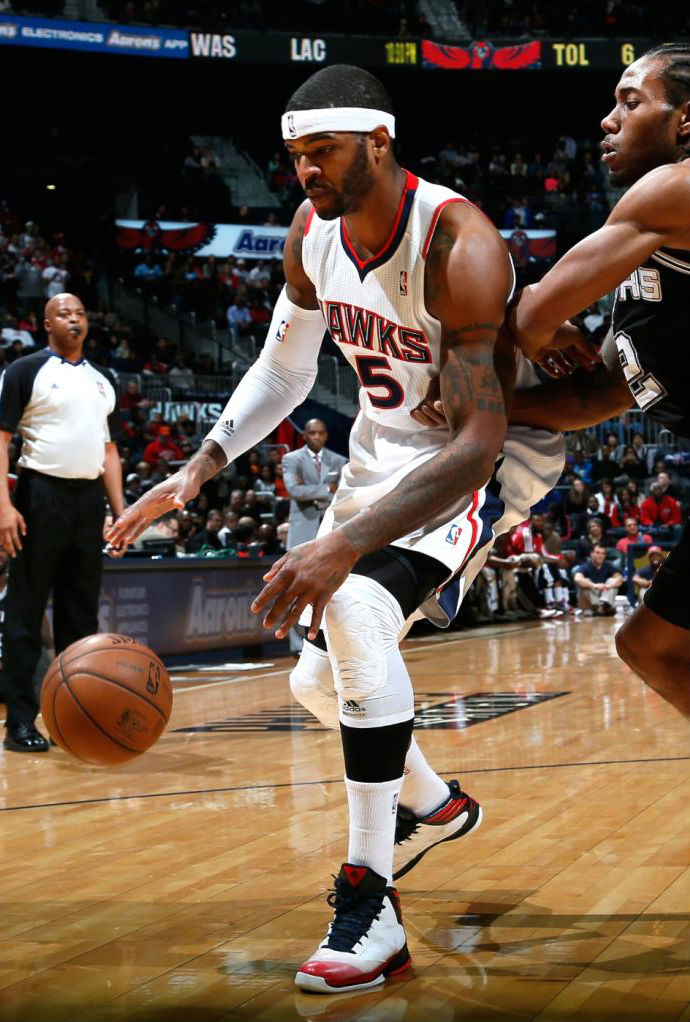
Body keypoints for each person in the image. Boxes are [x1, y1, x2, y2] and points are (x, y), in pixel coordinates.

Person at [107, 65, 564, 994]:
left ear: (379, 141)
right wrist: (196, 472)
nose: (305, 170)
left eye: (323, 150)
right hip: (376, 457)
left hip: (475, 459)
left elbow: (478, 443)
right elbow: (282, 373)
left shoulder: (456, 243)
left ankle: (372, 902)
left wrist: (344, 545)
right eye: (295, 154)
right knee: (318, 683)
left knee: (353, 606)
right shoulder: (310, 237)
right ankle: (433, 802)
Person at [509, 43, 690, 717]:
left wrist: (535, 326)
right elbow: (601, 392)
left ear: (686, 122)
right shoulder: (657, 250)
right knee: (651, 645)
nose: (608, 120)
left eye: (631, 102)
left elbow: (531, 315)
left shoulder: (675, 188)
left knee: (653, 644)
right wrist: (488, 414)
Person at [0, 293, 125, 751]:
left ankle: (73, 719)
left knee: (80, 616)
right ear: (45, 323)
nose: (74, 319)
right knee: (25, 613)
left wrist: (121, 510)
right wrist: (3, 506)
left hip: (88, 498)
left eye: (80, 313)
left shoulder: (102, 378)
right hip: (40, 494)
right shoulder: (24, 370)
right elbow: (2, 438)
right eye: (64, 314)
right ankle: (19, 721)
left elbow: (109, 450)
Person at [282, 419, 347, 653]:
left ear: (326, 435)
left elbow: (342, 493)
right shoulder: (291, 459)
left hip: (331, 531)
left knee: (333, 588)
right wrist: (325, 490)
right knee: (296, 587)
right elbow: (294, 490)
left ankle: (328, 642)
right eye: (311, 433)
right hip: (303, 531)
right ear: (304, 436)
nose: (316, 437)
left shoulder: (340, 462)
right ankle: (298, 644)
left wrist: (315, 492)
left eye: (320, 433)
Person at [574, 543, 624, 616]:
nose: (600, 556)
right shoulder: (585, 566)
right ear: (591, 554)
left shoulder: (608, 566)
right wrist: (594, 585)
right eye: (597, 553)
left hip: (604, 594)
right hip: (592, 599)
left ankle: (603, 605)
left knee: (612, 580)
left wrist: (609, 586)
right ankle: (601, 607)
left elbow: (620, 579)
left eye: (603, 554)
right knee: (585, 582)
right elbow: (577, 579)